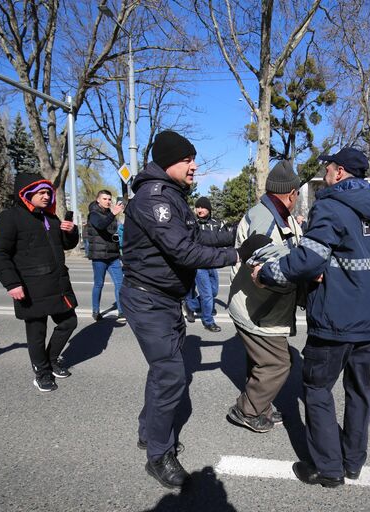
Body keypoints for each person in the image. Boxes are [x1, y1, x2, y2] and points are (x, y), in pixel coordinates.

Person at [254, 147, 370, 488]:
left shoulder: (331, 207)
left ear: (340, 172)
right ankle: (354, 461)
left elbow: (308, 261)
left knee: (317, 389)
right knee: (359, 390)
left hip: (335, 320)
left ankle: (328, 469)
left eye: (328, 167)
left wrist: (267, 272)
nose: (325, 173)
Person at [119, 130, 239, 490]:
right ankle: (158, 456)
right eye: (188, 160)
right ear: (170, 160)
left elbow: (196, 235)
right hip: (147, 299)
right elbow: (184, 251)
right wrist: (237, 256)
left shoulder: (172, 196)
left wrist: (238, 234)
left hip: (166, 299)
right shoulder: (152, 198)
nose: (194, 166)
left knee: (164, 372)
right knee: (171, 375)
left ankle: (148, 431)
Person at [226, 159, 303, 434]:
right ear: (291, 193)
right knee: (278, 363)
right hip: (256, 309)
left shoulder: (277, 214)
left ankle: (263, 403)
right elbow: (267, 267)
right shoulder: (267, 219)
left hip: (262, 307)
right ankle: (247, 410)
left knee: (261, 361)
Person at [0, 173, 79, 392]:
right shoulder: (10, 217)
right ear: (26, 194)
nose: (46, 196)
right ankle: (42, 372)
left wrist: (71, 233)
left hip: (58, 284)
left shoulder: (50, 217)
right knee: (37, 333)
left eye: (48, 192)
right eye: (41, 192)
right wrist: (12, 283)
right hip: (30, 286)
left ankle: (51, 360)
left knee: (69, 322)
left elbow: (64, 245)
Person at [183, 196, 233, 332]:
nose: (199, 210)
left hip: (213, 262)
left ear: (209, 209)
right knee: (207, 295)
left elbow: (224, 240)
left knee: (214, 292)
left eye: (202, 207)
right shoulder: (192, 224)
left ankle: (190, 304)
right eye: (197, 207)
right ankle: (208, 321)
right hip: (199, 263)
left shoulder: (217, 223)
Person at [86, 189, 125, 322]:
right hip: (99, 255)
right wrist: (113, 214)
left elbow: (114, 232)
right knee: (99, 284)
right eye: (105, 199)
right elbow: (101, 226)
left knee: (120, 283)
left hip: (113, 255)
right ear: (98, 200)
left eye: (109, 199)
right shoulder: (93, 214)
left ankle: (121, 311)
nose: (108, 201)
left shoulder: (110, 214)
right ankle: (95, 311)